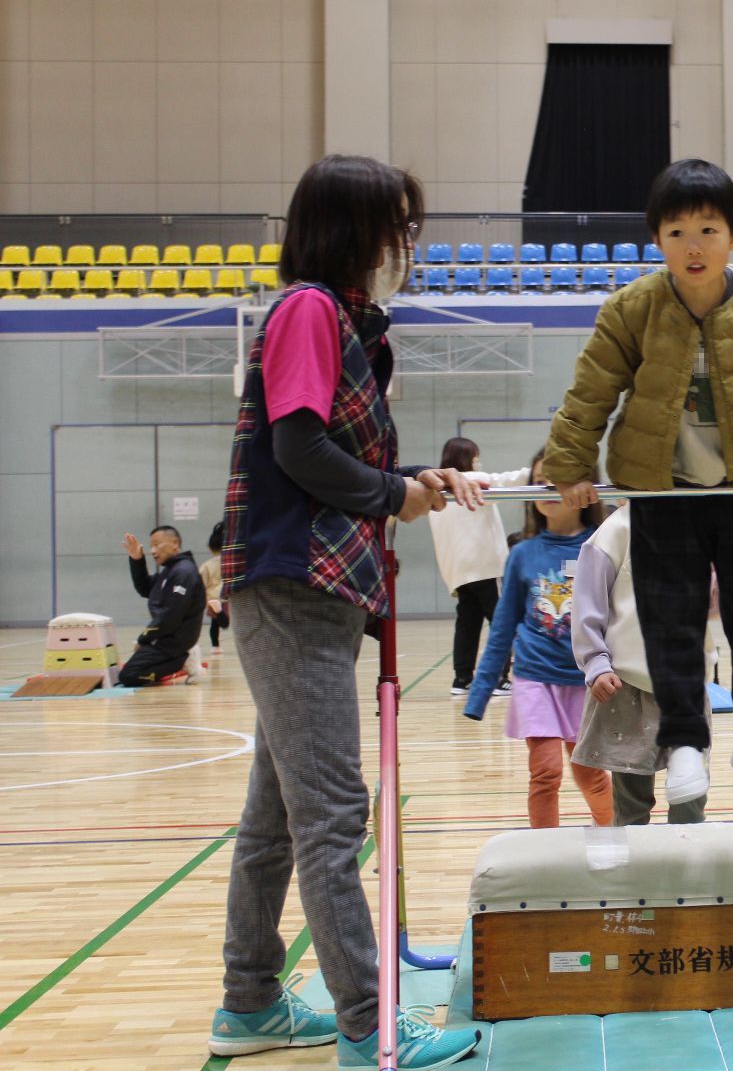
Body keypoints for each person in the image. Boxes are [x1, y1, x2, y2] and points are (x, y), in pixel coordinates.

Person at [207, 154, 482, 1070]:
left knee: (277, 819)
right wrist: (388, 493)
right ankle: (367, 1025)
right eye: (393, 226)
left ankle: (247, 1002)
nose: (402, 245)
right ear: (350, 228)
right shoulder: (309, 311)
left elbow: (336, 455)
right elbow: (300, 449)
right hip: (292, 584)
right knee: (330, 815)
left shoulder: (348, 324)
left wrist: (408, 485)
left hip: (310, 590)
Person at [542, 158, 733, 806]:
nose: (694, 246)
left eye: (708, 230)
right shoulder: (632, 309)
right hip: (663, 492)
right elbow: (589, 394)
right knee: (669, 624)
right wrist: (570, 470)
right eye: (677, 232)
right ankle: (684, 741)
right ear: (657, 241)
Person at [462, 452, 614, 828]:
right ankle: (544, 854)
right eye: (538, 480)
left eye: (555, 481)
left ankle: (612, 829)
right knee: (544, 772)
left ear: (585, 489)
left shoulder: (602, 546)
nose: (544, 490)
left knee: (588, 773)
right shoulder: (523, 554)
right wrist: (480, 692)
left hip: (584, 680)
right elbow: (502, 625)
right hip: (534, 677)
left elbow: (620, 617)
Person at [571, 501, 710, 826]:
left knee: (690, 796)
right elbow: (587, 605)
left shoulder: (697, 525)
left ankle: (687, 867)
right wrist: (596, 664)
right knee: (631, 802)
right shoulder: (614, 532)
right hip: (627, 685)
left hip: (685, 684)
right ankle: (634, 871)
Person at [427, 436, 530, 698]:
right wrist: (539, 468)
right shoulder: (473, 480)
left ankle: (462, 679)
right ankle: (498, 679)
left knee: (467, 625)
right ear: (469, 457)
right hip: (484, 566)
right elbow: (508, 480)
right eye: (475, 455)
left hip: (458, 572)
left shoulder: (435, 492)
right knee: (502, 623)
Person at [119, 525, 205, 686]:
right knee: (131, 672)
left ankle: (184, 660)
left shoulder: (183, 572)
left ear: (174, 543)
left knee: (128, 676)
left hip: (174, 641)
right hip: (165, 638)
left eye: (157, 544)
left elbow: (171, 615)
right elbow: (145, 588)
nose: (152, 550)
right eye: (151, 546)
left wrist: (143, 639)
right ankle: (181, 659)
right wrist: (136, 559)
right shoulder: (172, 570)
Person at [200, 522, 228, 657]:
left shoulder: (207, 566)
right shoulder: (231, 562)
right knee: (232, 622)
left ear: (210, 547)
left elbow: (201, 583)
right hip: (229, 597)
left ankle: (215, 646)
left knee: (214, 624)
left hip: (213, 598)